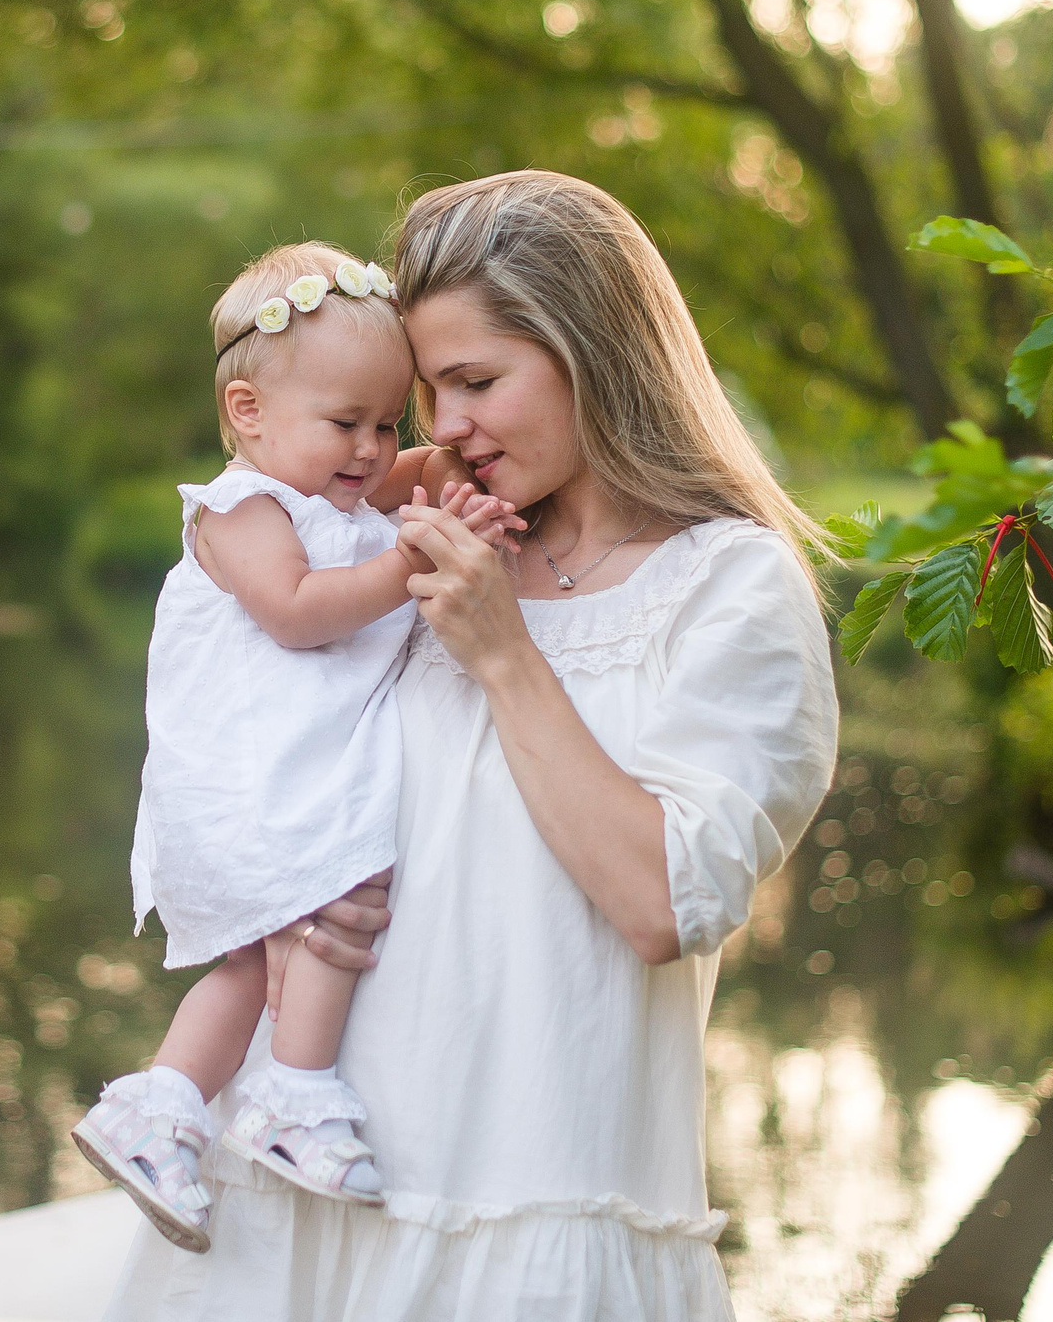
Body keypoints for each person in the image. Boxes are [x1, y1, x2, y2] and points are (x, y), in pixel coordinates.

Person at [104, 172, 841, 1319]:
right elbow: (261, 733)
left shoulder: (730, 584)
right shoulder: (412, 544)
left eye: (474, 382)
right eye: (428, 390)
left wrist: (504, 653)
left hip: (525, 1209)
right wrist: (282, 885)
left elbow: (660, 901)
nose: (440, 428)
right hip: (306, 1184)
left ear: (592, 353)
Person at [74, 242, 521, 1253]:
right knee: (339, 906)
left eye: (385, 421)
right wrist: (415, 553)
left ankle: (156, 1107)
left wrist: (464, 494)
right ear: (247, 413)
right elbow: (296, 611)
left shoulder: (340, 494)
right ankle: (294, 1093)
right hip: (247, 787)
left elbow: (431, 469)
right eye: (344, 422)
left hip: (285, 776)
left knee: (245, 969)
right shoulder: (242, 510)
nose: (371, 448)